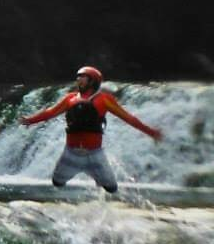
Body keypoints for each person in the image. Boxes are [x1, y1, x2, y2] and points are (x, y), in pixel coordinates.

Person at [20, 66, 163, 193]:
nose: (79, 80)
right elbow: (50, 112)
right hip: (71, 153)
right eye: (78, 77)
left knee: (111, 189)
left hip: (95, 155)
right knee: (57, 182)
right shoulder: (70, 99)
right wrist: (30, 120)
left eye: (83, 77)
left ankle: (95, 174)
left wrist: (151, 132)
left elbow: (128, 118)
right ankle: (87, 174)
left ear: (93, 81)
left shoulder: (105, 99)